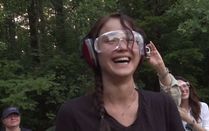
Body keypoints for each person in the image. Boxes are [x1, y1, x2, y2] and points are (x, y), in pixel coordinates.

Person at [55, 13, 184, 131]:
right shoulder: (72, 113)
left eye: (130, 39)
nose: (122, 47)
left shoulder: (163, 106)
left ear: (140, 51)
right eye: (110, 40)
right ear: (92, 52)